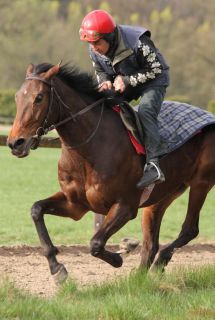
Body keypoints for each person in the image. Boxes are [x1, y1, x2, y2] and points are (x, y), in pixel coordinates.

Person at [79, 9, 170, 189]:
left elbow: (157, 69)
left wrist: (127, 80)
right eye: (90, 43)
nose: (93, 47)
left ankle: (153, 164)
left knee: (145, 111)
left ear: (110, 37)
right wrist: (105, 82)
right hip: (125, 82)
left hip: (154, 81)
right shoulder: (94, 50)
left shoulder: (139, 42)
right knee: (105, 105)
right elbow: (100, 71)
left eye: (96, 42)